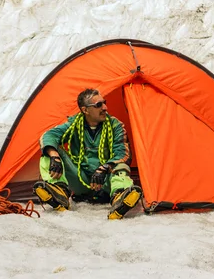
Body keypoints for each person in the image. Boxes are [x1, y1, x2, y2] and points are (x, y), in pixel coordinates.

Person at [33, 88, 142, 219]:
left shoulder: (115, 126)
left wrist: (105, 167)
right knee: (48, 152)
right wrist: (54, 156)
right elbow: (48, 135)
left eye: (104, 102)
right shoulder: (74, 124)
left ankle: (120, 196)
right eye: (98, 105)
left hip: (106, 181)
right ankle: (59, 192)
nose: (105, 107)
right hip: (81, 180)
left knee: (121, 165)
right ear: (85, 110)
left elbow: (123, 154)